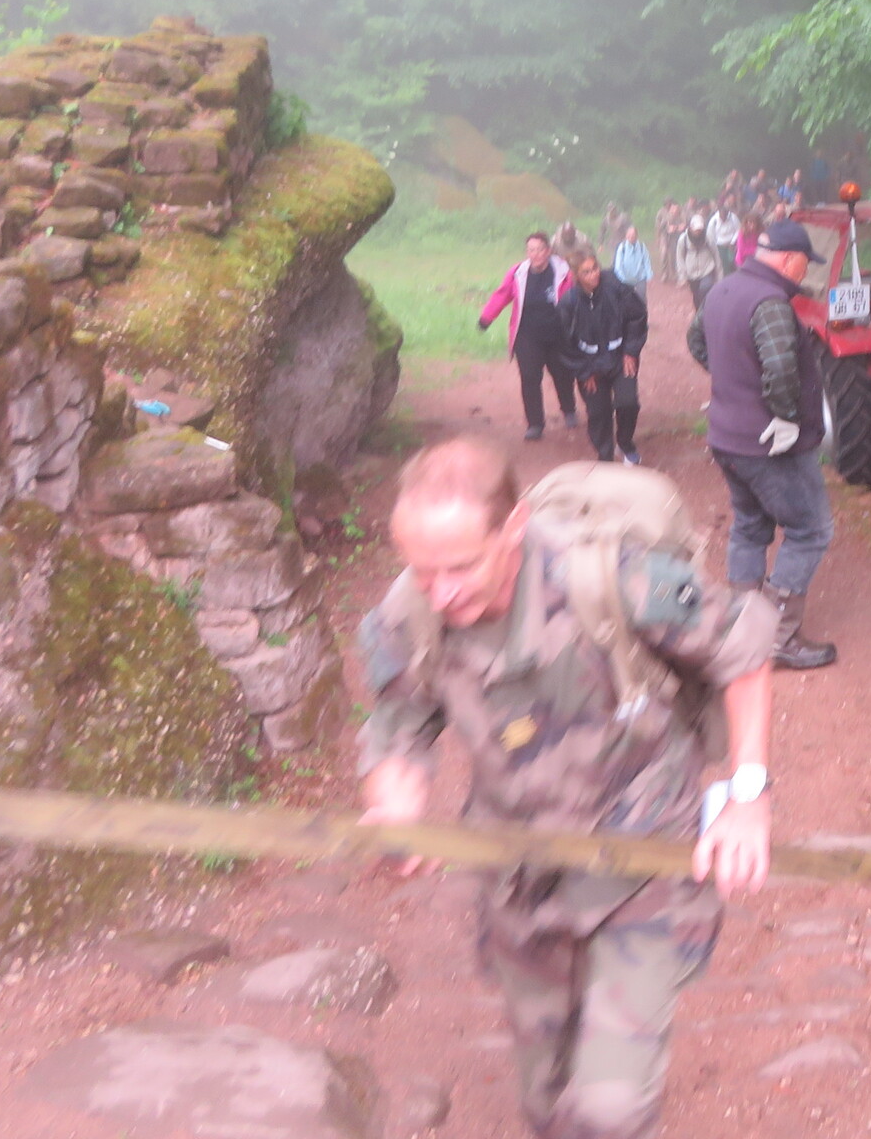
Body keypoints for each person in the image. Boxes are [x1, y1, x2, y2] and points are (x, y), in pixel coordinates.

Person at [359, 437, 778, 1139]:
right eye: (423, 571)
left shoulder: (612, 576)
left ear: (514, 527)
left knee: (610, 1110)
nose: (442, 592)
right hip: (522, 875)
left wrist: (748, 794)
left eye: (460, 567)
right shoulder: (415, 606)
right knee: (547, 1100)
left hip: (640, 862)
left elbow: (744, 646)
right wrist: (393, 797)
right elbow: (398, 719)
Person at [695, 217, 838, 670]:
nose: (805, 271)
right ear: (790, 259)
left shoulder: (722, 289)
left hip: (726, 437)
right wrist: (786, 418)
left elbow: (697, 340)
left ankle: (740, 625)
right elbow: (779, 369)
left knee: (750, 526)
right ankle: (777, 638)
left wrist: (733, 379)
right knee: (810, 529)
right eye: (805, 263)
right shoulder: (771, 301)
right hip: (767, 445)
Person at [478, 232, 577, 441]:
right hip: (527, 335)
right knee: (530, 378)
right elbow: (502, 294)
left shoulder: (564, 272)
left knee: (563, 374)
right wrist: (486, 317)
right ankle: (535, 424)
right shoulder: (518, 273)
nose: (535, 254)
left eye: (539, 249)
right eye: (531, 250)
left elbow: (578, 298)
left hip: (558, 334)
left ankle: (569, 410)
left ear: (548, 251)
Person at [556, 247, 649, 465]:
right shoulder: (569, 302)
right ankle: (604, 454)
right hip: (590, 365)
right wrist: (583, 371)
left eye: (595, 268)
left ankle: (625, 443)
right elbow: (563, 342)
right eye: (586, 272)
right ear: (576, 276)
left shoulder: (617, 289)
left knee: (628, 403)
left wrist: (630, 351)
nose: (593, 274)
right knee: (598, 412)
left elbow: (637, 317)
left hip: (619, 359)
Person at [676, 208, 719, 311]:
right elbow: (680, 258)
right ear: (691, 228)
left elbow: (716, 255)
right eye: (696, 230)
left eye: (700, 229)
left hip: (707, 269)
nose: (698, 232)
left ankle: (705, 312)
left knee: (705, 289)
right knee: (696, 295)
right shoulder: (683, 239)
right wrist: (683, 276)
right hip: (691, 273)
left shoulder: (708, 237)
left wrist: (719, 275)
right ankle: (699, 314)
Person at [613, 225, 653, 305]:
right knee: (627, 300)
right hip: (626, 279)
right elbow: (618, 266)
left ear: (637, 236)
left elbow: (646, 261)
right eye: (629, 235)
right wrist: (622, 279)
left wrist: (649, 276)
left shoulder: (642, 247)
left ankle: (642, 312)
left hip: (640, 278)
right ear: (626, 236)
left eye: (633, 235)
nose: (631, 237)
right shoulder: (622, 248)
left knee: (641, 298)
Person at [706, 198, 741, 278]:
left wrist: (732, 242)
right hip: (720, 245)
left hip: (732, 244)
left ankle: (736, 276)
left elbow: (739, 230)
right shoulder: (714, 220)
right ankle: (727, 278)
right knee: (723, 263)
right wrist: (716, 244)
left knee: (732, 261)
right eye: (722, 216)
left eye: (725, 216)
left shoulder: (733, 218)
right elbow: (710, 234)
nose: (723, 218)